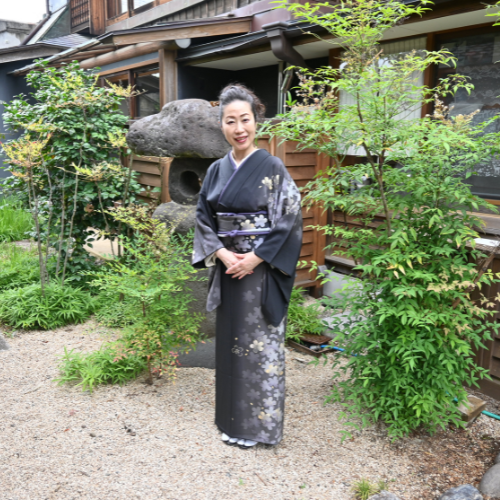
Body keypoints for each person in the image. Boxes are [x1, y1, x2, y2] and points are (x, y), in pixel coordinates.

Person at [192, 84, 302, 449]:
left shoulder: (272, 167)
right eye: (230, 121)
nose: (239, 128)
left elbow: (289, 217)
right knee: (231, 345)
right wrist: (222, 254)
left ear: (256, 121)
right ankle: (232, 421)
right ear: (221, 125)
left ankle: (261, 428)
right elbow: (203, 217)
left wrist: (257, 257)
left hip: (261, 271)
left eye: (245, 119)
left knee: (262, 345)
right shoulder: (215, 170)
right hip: (229, 269)